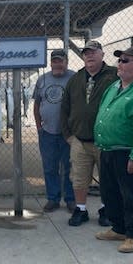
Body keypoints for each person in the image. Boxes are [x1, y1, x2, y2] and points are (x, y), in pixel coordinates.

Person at [94, 47, 133, 253]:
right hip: (107, 149)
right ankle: (119, 228)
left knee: (130, 194)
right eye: (119, 60)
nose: (119, 64)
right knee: (109, 192)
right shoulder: (114, 87)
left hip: (127, 151)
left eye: (125, 60)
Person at [61, 40, 118, 226]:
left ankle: (106, 209)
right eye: (86, 53)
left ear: (102, 54)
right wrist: (68, 134)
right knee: (78, 178)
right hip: (79, 140)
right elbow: (65, 107)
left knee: (108, 178)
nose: (90, 55)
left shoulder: (114, 76)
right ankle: (81, 209)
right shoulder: (75, 79)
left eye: (94, 52)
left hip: (105, 140)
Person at [33, 49, 76, 213]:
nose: (58, 64)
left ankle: (70, 199)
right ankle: (53, 198)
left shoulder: (74, 78)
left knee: (69, 167)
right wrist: (38, 127)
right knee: (50, 167)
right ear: (51, 63)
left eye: (61, 61)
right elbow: (36, 105)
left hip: (68, 133)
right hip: (47, 132)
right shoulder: (42, 79)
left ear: (66, 62)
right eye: (55, 61)